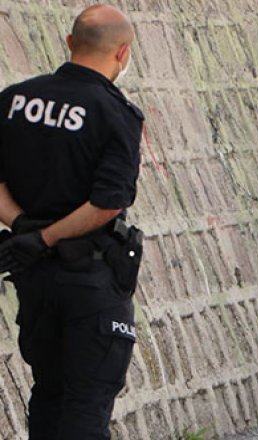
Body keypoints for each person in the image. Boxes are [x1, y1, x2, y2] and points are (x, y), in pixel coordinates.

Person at [0, 5, 144, 439]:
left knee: (49, 393)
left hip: (35, 279)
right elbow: (106, 204)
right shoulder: (116, 112)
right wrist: (45, 236)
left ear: (69, 43)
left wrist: (24, 227)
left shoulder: (13, 100)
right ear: (123, 53)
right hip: (89, 281)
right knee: (87, 402)